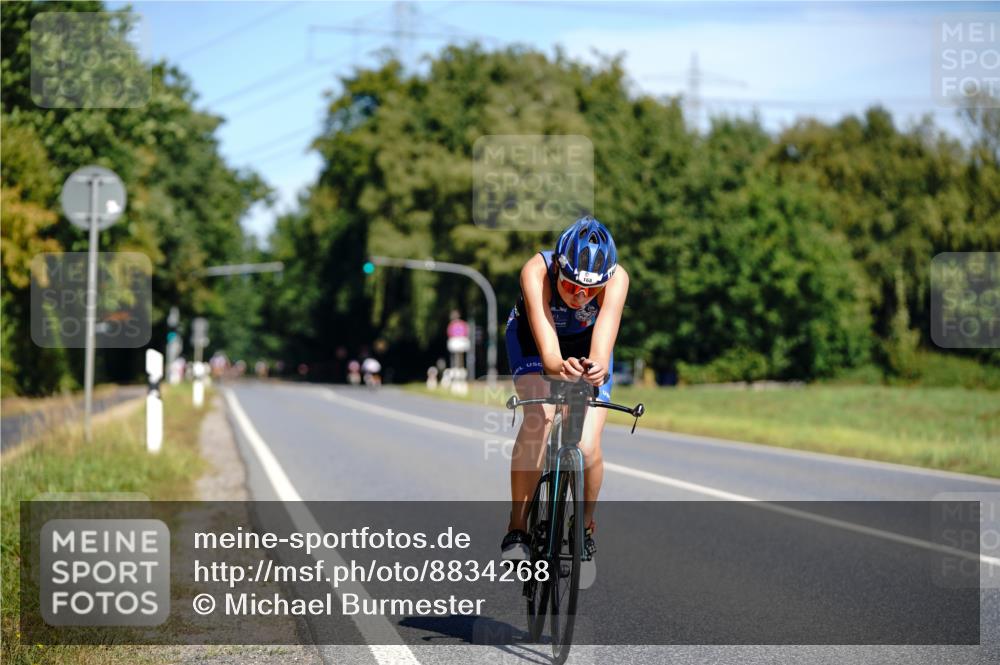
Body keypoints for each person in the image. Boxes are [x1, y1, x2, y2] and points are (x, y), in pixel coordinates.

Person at [501, 216, 628, 561]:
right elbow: (549, 355)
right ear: (558, 267)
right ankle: (518, 527)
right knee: (539, 417)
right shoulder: (536, 271)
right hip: (534, 341)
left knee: (586, 445)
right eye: (571, 285)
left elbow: (602, 348)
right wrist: (558, 367)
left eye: (592, 290)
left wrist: (595, 369)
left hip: (585, 345)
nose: (580, 296)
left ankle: (583, 526)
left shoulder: (617, 279)